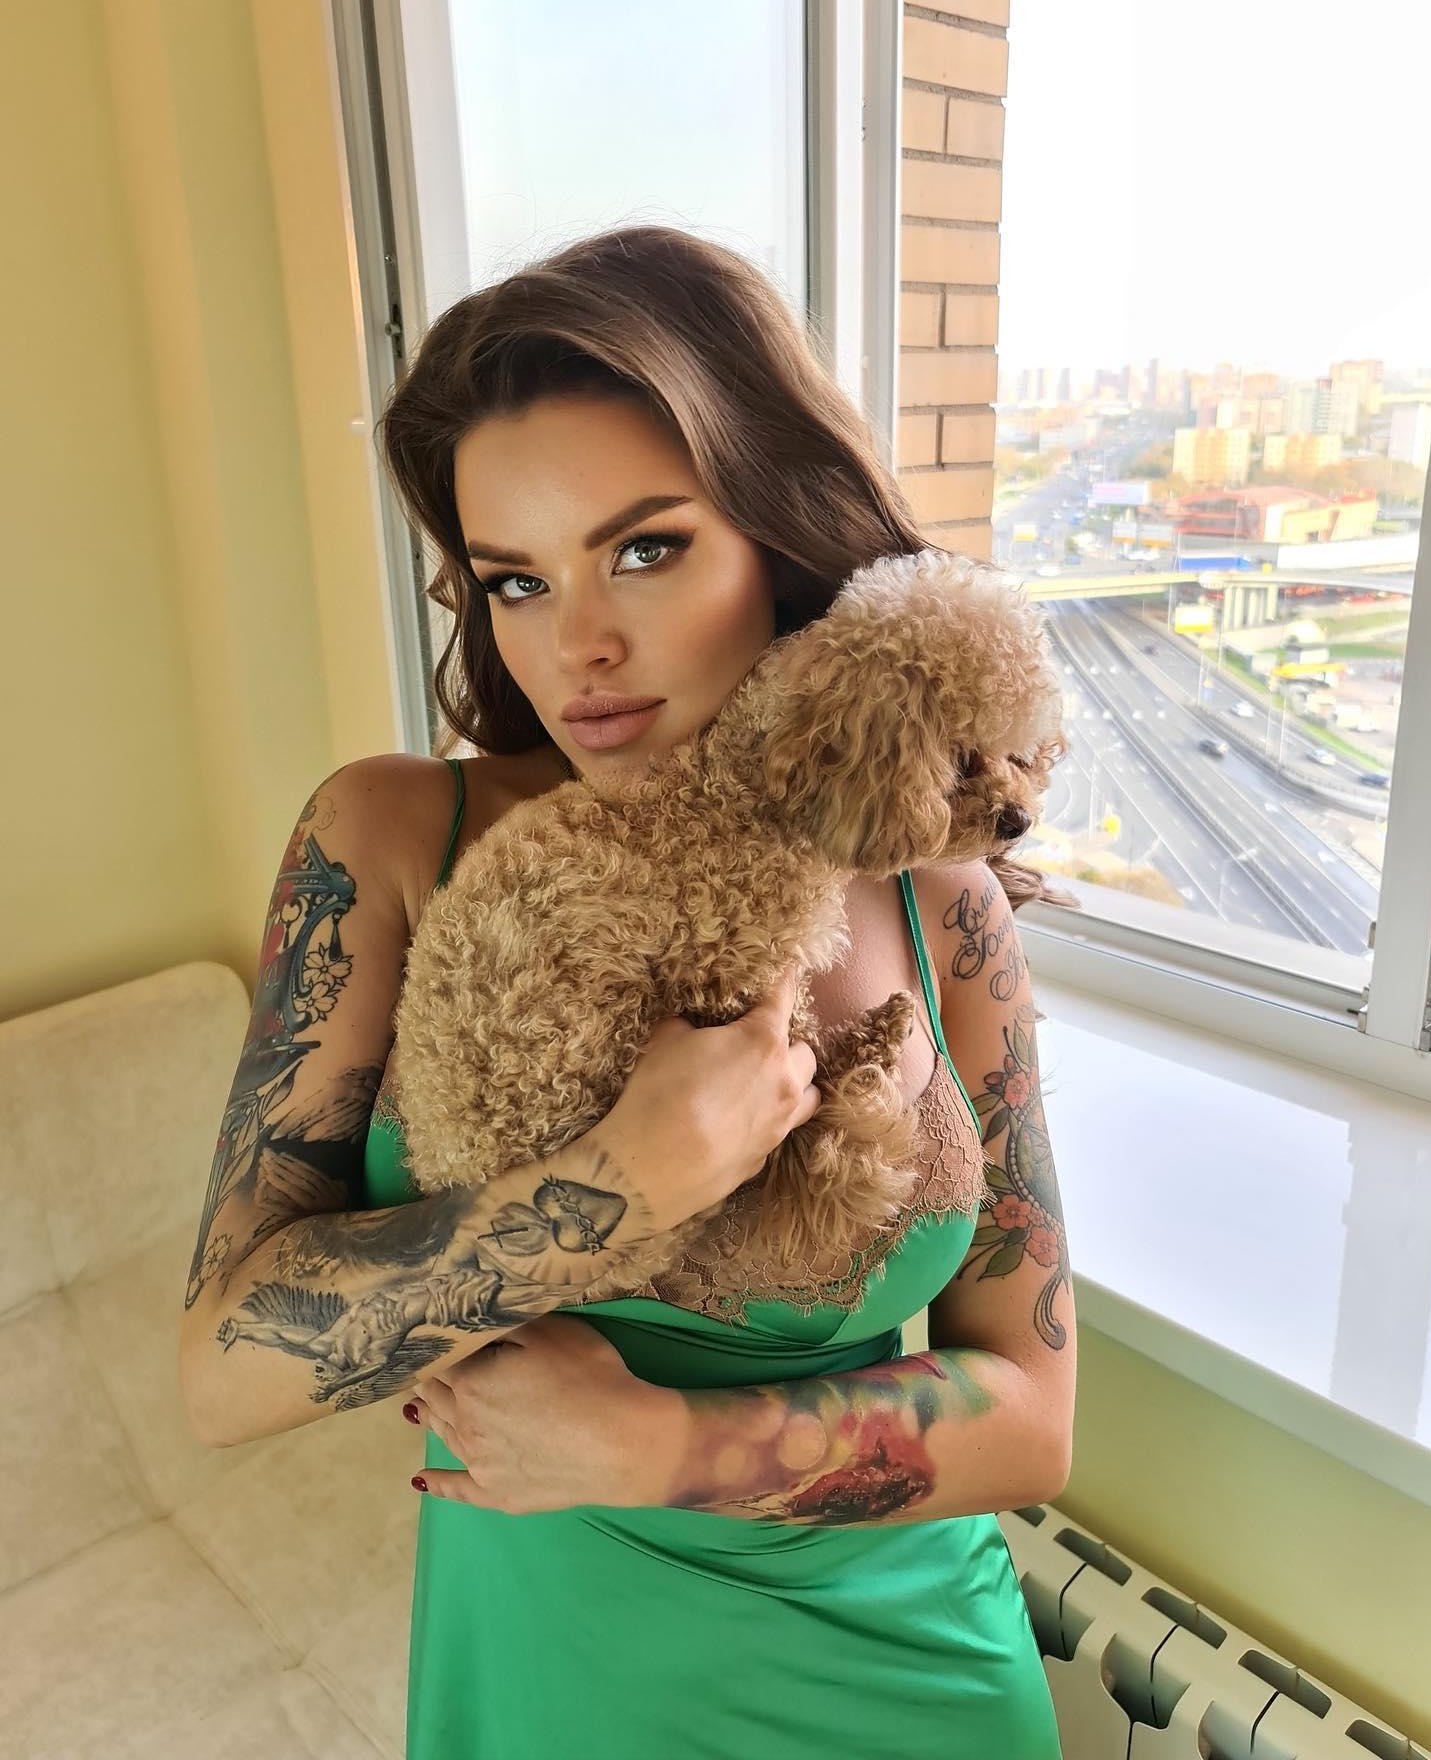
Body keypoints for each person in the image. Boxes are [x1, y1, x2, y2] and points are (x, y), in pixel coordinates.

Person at [180, 224, 1076, 1758]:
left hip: (912, 1681)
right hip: (550, 1691)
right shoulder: (392, 841)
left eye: (646, 551)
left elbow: (1033, 1418)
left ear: (777, 535)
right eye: (516, 581)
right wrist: (618, 1184)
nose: (578, 648)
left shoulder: (939, 901)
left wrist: (657, 1445)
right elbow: (220, 1373)